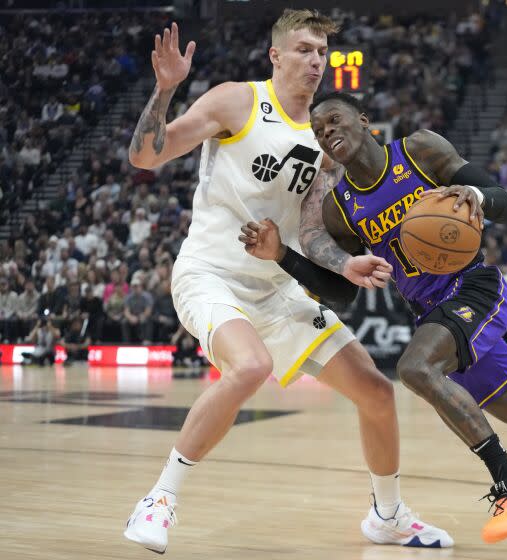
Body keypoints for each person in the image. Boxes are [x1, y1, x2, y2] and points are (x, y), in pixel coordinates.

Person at [242, 92, 507, 547]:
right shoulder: (341, 206)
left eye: (334, 120)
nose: (327, 132)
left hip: (474, 289)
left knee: (413, 368)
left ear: (363, 121)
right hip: (434, 314)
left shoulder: (419, 151)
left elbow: (505, 201)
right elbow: (344, 293)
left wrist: (479, 196)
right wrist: (284, 257)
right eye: (318, 130)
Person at [123, 13, 450, 553]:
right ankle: (160, 498)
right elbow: (146, 154)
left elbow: (312, 229)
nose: (315, 61)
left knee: (376, 391)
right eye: (303, 49)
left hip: (277, 286)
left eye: (321, 51)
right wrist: (165, 91)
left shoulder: (326, 138)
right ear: (275, 55)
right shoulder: (236, 101)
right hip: (211, 275)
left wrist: (343, 265)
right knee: (251, 366)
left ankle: (387, 515)